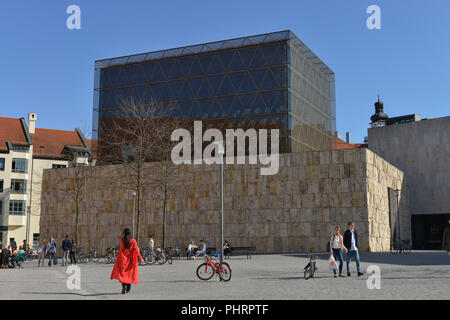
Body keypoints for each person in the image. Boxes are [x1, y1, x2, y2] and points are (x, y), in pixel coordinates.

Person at [110, 228, 143, 294]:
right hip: (131, 260)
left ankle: (123, 287)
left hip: (123, 259)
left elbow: (122, 249)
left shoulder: (122, 240)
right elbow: (136, 250)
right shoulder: (133, 241)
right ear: (130, 233)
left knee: (123, 274)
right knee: (129, 274)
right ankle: (128, 288)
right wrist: (140, 258)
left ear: (124, 233)